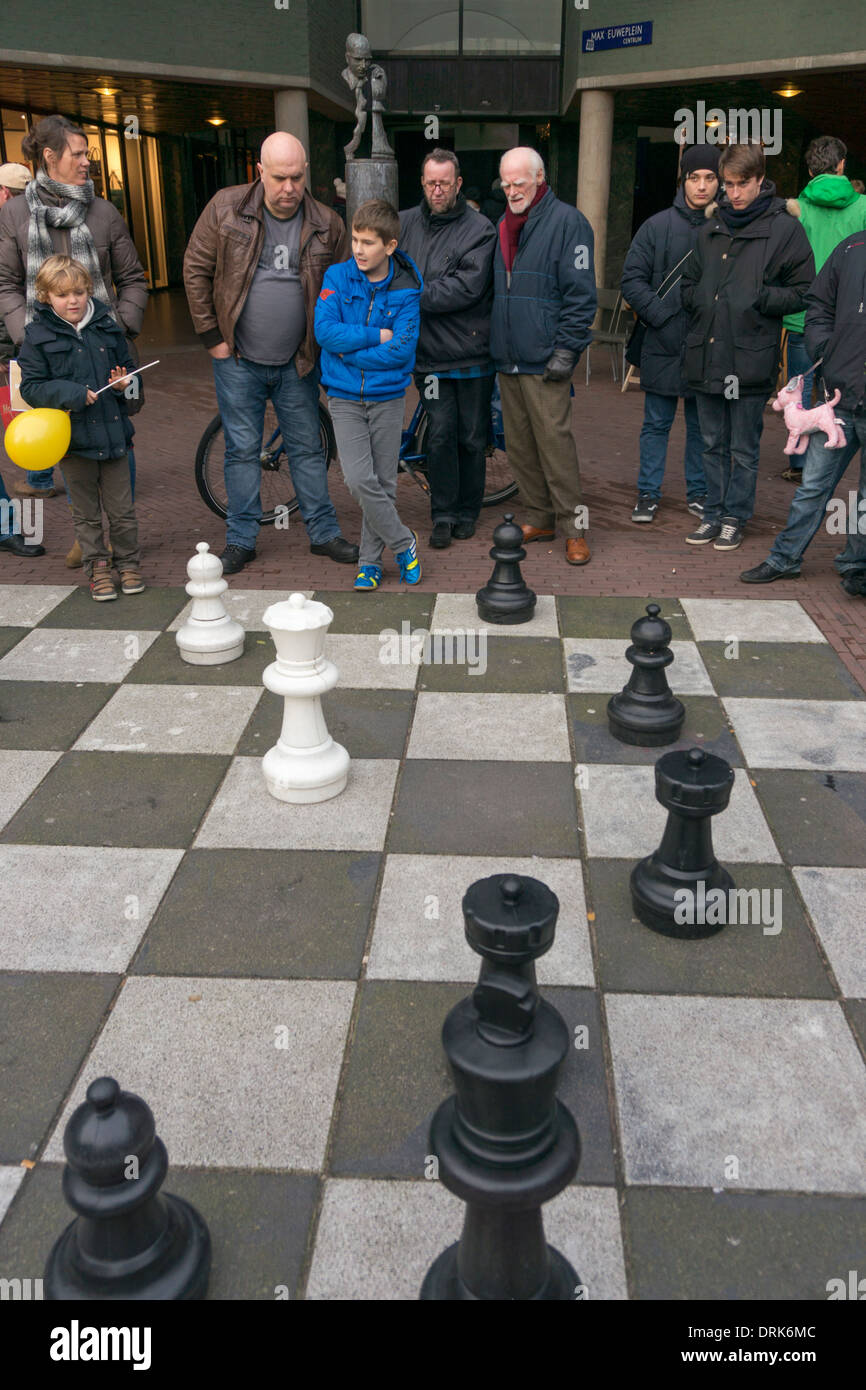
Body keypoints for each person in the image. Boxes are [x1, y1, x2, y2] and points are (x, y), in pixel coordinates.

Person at [183, 131, 357, 575]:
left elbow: (341, 288)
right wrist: (212, 338)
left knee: (306, 448)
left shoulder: (327, 224)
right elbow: (195, 269)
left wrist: (330, 345)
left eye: (297, 177)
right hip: (238, 359)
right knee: (242, 450)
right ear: (259, 172)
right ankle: (241, 540)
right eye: (279, 177)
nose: (289, 188)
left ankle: (324, 534)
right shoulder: (225, 208)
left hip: (298, 361)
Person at [0, 115, 147, 520]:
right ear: (50, 156)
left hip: (102, 342)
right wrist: (26, 335)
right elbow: (5, 283)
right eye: (78, 154)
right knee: (63, 439)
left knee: (118, 432)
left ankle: (120, 531)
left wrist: (122, 325)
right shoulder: (14, 214)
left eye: (88, 154)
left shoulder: (103, 212)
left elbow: (133, 276)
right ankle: (89, 535)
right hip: (46, 351)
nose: (87, 162)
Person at [680, 143, 814, 552]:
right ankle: (713, 514)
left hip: (748, 355)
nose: (733, 193)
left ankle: (735, 516)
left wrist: (758, 298)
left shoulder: (784, 229)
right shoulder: (710, 227)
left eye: (742, 184)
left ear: (760, 181)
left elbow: (804, 289)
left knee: (742, 445)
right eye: (729, 185)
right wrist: (702, 300)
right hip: (707, 350)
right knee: (710, 442)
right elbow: (689, 282)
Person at [739, 229, 866, 591]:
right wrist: (825, 349)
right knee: (812, 484)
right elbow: (819, 306)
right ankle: (785, 558)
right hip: (838, 396)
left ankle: (856, 565)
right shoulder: (853, 247)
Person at [489, 146, 596, 566]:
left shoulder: (569, 222)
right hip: (509, 357)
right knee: (519, 446)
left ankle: (575, 528)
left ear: (539, 179)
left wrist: (567, 349)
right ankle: (540, 516)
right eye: (506, 183)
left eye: (520, 182)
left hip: (545, 356)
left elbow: (581, 295)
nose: (512, 190)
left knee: (555, 445)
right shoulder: (502, 224)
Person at [17, 255, 142, 599]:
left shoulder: (107, 326)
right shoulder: (37, 335)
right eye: (62, 294)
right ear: (45, 297)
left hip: (115, 436)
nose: (72, 300)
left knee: (122, 511)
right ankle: (98, 568)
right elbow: (30, 387)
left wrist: (125, 385)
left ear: (89, 290)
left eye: (78, 292)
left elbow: (131, 376)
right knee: (85, 515)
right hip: (72, 443)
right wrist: (71, 394)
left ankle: (129, 564)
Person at [314, 198, 423, 592]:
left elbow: (402, 352)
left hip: (388, 397)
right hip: (343, 396)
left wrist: (348, 352)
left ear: (390, 246)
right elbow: (324, 332)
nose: (358, 249)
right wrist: (375, 336)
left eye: (368, 242)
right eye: (355, 240)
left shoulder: (407, 288)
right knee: (359, 479)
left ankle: (369, 564)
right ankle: (404, 543)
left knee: (384, 482)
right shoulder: (338, 277)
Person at [399, 148, 497, 548]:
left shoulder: (481, 229)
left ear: (458, 183)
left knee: (472, 436)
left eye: (444, 183)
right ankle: (442, 513)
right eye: (430, 182)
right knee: (440, 433)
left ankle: (468, 511)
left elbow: (468, 288)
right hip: (429, 356)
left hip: (472, 352)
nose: (437, 190)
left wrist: (408, 296)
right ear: (422, 183)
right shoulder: (403, 223)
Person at [621, 144, 720, 523]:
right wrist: (661, 316)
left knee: (700, 426)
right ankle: (647, 493)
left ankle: (698, 493)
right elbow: (632, 279)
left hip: (704, 344)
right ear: (684, 180)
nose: (702, 186)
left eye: (710, 178)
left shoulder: (726, 226)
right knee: (656, 424)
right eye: (694, 178)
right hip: (663, 341)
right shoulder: (657, 225)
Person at [779, 136, 866, 484]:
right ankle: (833, 455)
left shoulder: (795, 208)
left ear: (811, 169)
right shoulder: (863, 208)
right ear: (842, 165)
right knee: (839, 396)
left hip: (804, 313)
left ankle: (801, 464)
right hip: (851, 320)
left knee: (800, 393)